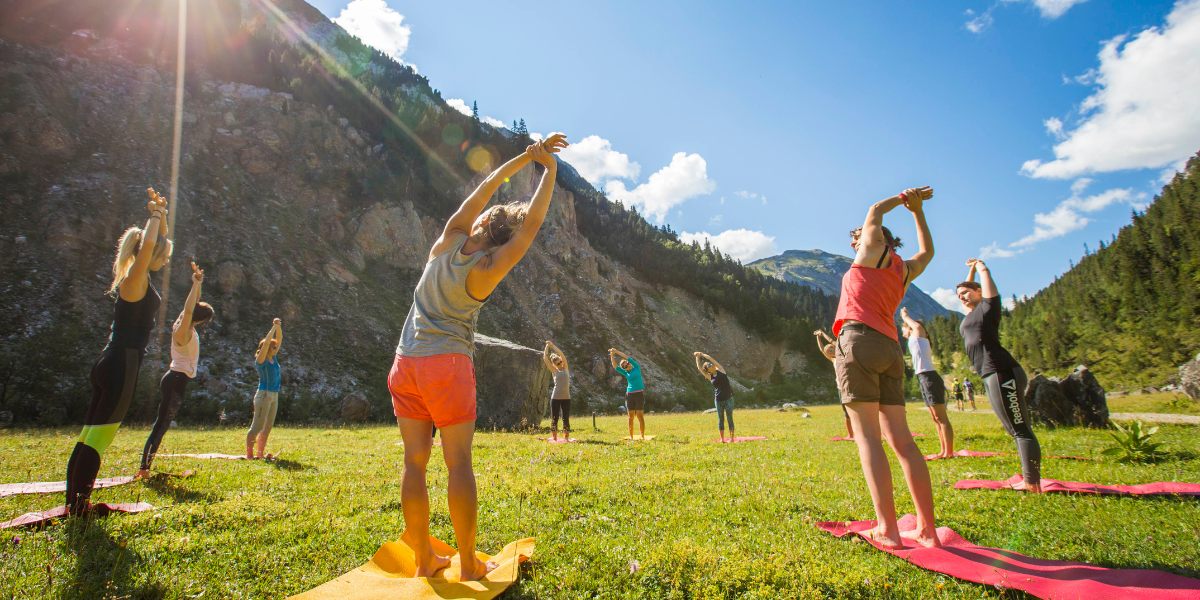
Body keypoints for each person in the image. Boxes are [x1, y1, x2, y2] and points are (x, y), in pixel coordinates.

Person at [388, 134, 568, 580]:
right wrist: (550, 170)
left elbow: (488, 184)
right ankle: (469, 565)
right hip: (446, 364)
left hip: (404, 362)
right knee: (459, 464)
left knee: (414, 462)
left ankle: (424, 562)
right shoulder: (488, 270)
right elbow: (533, 225)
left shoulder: (446, 242)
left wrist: (522, 160)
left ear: (485, 219)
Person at [832, 186, 939, 549]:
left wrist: (904, 197)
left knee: (868, 439)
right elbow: (928, 252)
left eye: (857, 236)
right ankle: (928, 530)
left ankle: (888, 529)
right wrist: (917, 211)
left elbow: (876, 208)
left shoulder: (871, 251)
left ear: (876, 238)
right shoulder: (903, 270)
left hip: (859, 341)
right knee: (903, 440)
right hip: (891, 349)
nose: (854, 241)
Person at [65, 188, 172, 513]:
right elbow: (152, 245)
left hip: (109, 359)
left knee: (87, 435)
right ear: (149, 254)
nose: (166, 259)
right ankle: (80, 507)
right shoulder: (136, 278)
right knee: (98, 440)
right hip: (122, 363)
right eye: (163, 255)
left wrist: (162, 215)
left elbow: (157, 243)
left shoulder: (135, 277)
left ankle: (74, 501)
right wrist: (154, 216)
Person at [958, 259, 1041, 493]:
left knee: (1020, 429)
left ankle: (1032, 483)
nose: (962, 297)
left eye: (966, 292)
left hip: (1003, 372)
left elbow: (985, 286)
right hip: (990, 374)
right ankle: (1030, 479)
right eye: (959, 295)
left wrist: (981, 267)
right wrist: (970, 272)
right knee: (1013, 428)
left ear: (979, 291)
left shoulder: (988, 306)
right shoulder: (971, 314)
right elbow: (968, 288)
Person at [139, 262, 213, 477]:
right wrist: (196, 284)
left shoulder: (183, 323)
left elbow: (191, 305)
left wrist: (198, 283)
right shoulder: (183, 330)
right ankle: (144, 469)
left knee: (163, 424)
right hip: (176, 381)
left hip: (175, 379)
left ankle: (145, 467)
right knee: (161, 425)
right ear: (201, 319)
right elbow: (191, 307)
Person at [900, 308, 953, 459]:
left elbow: (917, 327)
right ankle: (943, 451)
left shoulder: (918, 336)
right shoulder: (913, 340)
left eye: (903, 326)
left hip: (929, 376)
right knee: (935, 418)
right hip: (923, 377)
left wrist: (905, 316)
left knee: (941, 417)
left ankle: (949, 452)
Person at [247, 319, 283, 459]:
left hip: (274, 395)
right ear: (267, 348)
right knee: (257, 425)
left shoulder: (274, 358)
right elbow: (268, 342)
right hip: (264, 394)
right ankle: (250, 455)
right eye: (273, 347)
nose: (276, 348)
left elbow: (278, 339)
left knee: (267, 426)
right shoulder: (261, 361)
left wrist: (278, 327)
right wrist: (273, 327)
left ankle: (260, 454)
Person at [815, 330, 854, 439]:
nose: (830, 351)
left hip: (851, 384)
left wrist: (823, 334)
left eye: (831, 349)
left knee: (858, 409)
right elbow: (822, 349)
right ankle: (850, 435)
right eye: (829, 351)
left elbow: (832, 341)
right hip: (840, 387)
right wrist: (818, 338)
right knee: (846, 412)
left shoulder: (843, 354)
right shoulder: (833, 360)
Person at [694, 352, 735, 442]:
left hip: (728, 397)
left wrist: (702, 354)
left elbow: (711, 359)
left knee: (729, 418)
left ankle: (732, 438)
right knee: (720, 419)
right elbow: (700, 369)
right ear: (708, 370)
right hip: (718, 399)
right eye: (709, 365)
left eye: (711, 364)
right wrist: (697, 358)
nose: (711, 364)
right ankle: (722, 439)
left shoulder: (720, 369)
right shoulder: (709, 376)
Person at [609, 349, 646, 439]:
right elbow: (615, 366)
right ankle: (631, 436)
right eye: (626, 366)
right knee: (630, 417)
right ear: (624, 368)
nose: (628, 366)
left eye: (628, 364)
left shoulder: (636, 367)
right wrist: (611, 355)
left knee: (640, 416)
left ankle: (642, 436)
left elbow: (627, 357)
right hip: (630, 395)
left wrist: (616, 352)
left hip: (639, 394)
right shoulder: (625, 373)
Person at [542, 341, 571, 441]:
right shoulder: (554, 371)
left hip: (566, 398)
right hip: (555, 398)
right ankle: (554, 438)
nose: (561, 364)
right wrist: (547, 347)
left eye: (561, 362)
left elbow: (562, 354)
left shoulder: (565, 368)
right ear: (555, 364)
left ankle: (566, 438)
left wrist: (553, 346)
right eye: (558, 363)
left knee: (565, 418)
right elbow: (545, 359)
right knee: (554, 418)